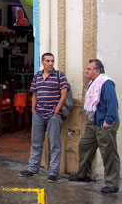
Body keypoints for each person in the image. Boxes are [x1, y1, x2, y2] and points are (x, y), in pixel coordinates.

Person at [69, 59, 120, 194]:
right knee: (84, 146)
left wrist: (107, 123)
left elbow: (113, 105)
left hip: (105, 122)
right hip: (94, 122)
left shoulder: (106, 83)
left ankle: (112, 183)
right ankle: (83, 175)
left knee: (108, 153)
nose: (86, 71)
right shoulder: (93, 82)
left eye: (89, 69)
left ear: (97, 71)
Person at [19, 52, 69, 182]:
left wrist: (57, 110)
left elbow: (64, 94)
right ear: (42, 62)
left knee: (54, 145)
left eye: (52, 61)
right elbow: (34, 93)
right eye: (47, 61)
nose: (50, 63)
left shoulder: (60, 76)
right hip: (39, 115)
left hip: (53, 115)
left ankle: (53, 172)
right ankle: (33, 169)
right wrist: (33, 109)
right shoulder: (37, 76)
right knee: (36, 143)